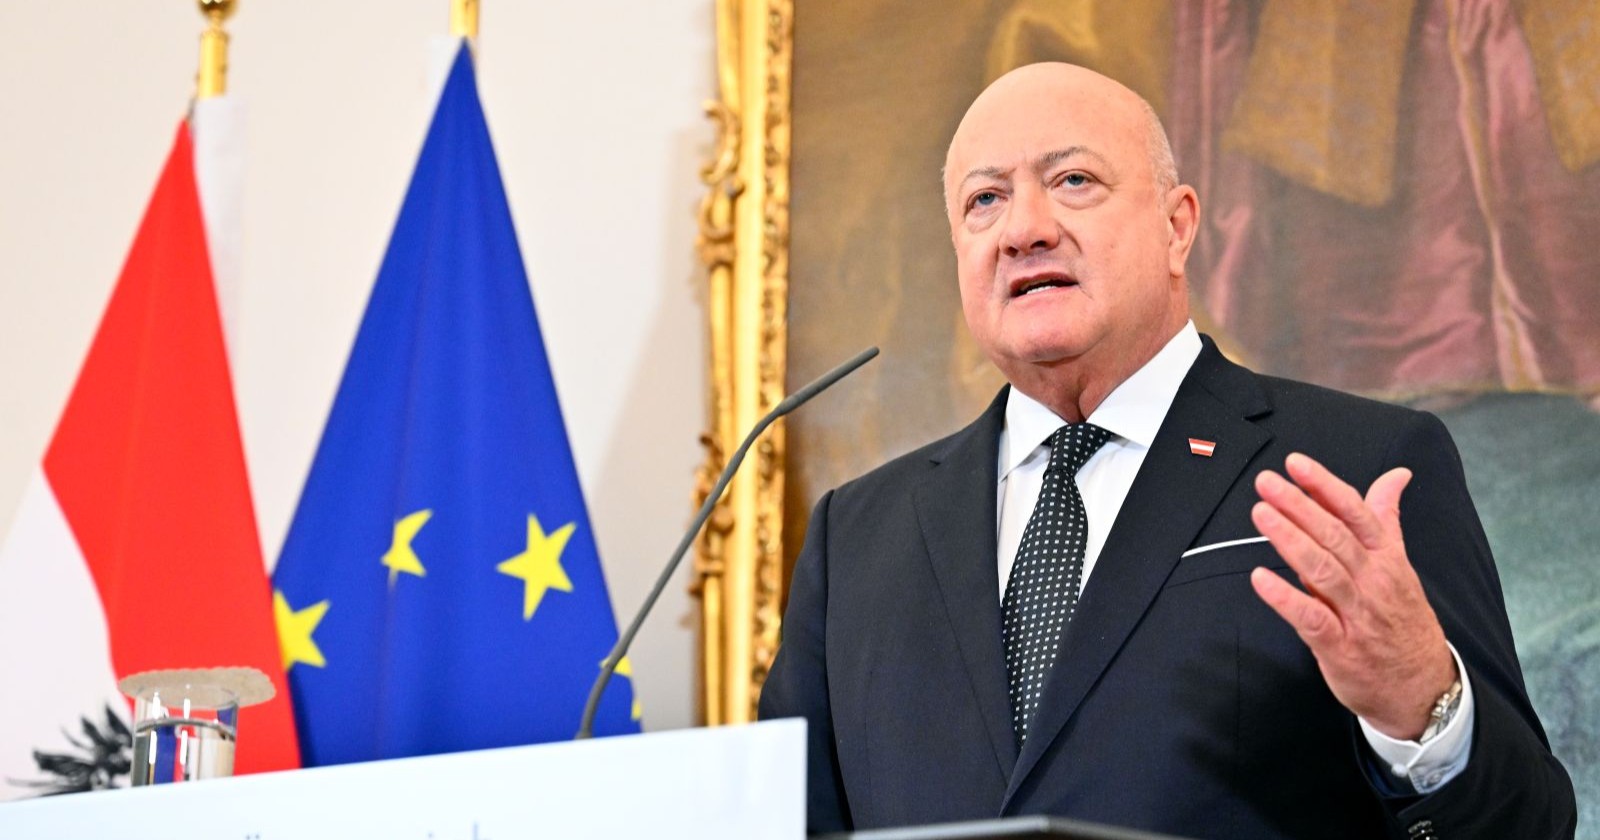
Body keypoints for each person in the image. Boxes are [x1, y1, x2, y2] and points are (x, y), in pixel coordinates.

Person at [758, 63, 1576, 839]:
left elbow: (1527, 827)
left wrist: (1421, 709)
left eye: (1073, 181)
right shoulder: (857, 536)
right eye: (985, 201)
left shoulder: (1355, 466)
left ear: (1177, 226)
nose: (1024, 230)